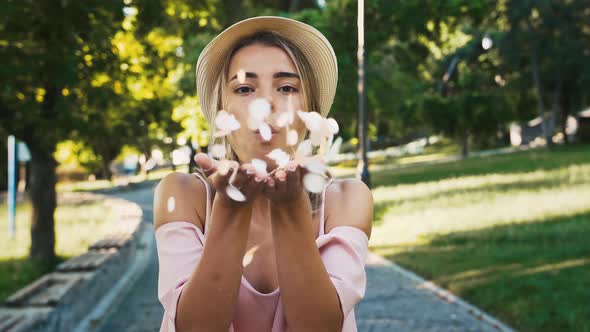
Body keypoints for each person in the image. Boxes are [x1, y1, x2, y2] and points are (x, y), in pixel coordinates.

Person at [153, 16, 373, 332]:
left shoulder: (347, 199)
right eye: (244, 88)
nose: (264, 103)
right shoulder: (182, 194)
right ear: (221, 111)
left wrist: (289, 209)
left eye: (286, 87)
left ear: (311, 110)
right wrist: (230, 210)